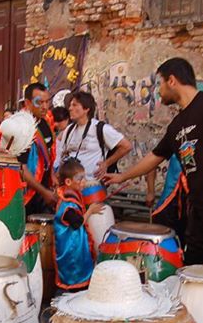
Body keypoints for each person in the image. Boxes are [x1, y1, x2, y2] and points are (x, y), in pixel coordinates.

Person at [105, 58, 203, 269]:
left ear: (171, 80)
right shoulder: (177, 125)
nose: (158, 91)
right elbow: (154, 157)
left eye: (160, 84)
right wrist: (122, 176)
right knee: (195, 270)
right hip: (198, 212)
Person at [55, 91, 132, 202]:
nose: (70, 108)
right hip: (71, 188)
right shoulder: (69, 130)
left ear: (86, 109)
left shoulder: (100, 128)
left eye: (75, 105)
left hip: (92, 187)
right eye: (70, 105)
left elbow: (126, 146)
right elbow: (62, 155)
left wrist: (107, 163)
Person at [54, 158, 103, 290]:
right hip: (70, 249)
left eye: (84, 178)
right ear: (68, 182)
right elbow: (77, 222)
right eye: (80, 179)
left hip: (76, 246)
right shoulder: (68, 204)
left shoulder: (70, 195)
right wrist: (91, 211)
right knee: (73, 279)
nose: (84, 182)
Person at [18, 82, 57, 215]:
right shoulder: (21, 128)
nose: (45, 107)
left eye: (47, 102)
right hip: (25, 196)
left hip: (43, 193)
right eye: (39, 102)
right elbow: (20, 169)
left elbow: (49, 156)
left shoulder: (45, 124)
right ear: (28, 103)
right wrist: (44, 192)